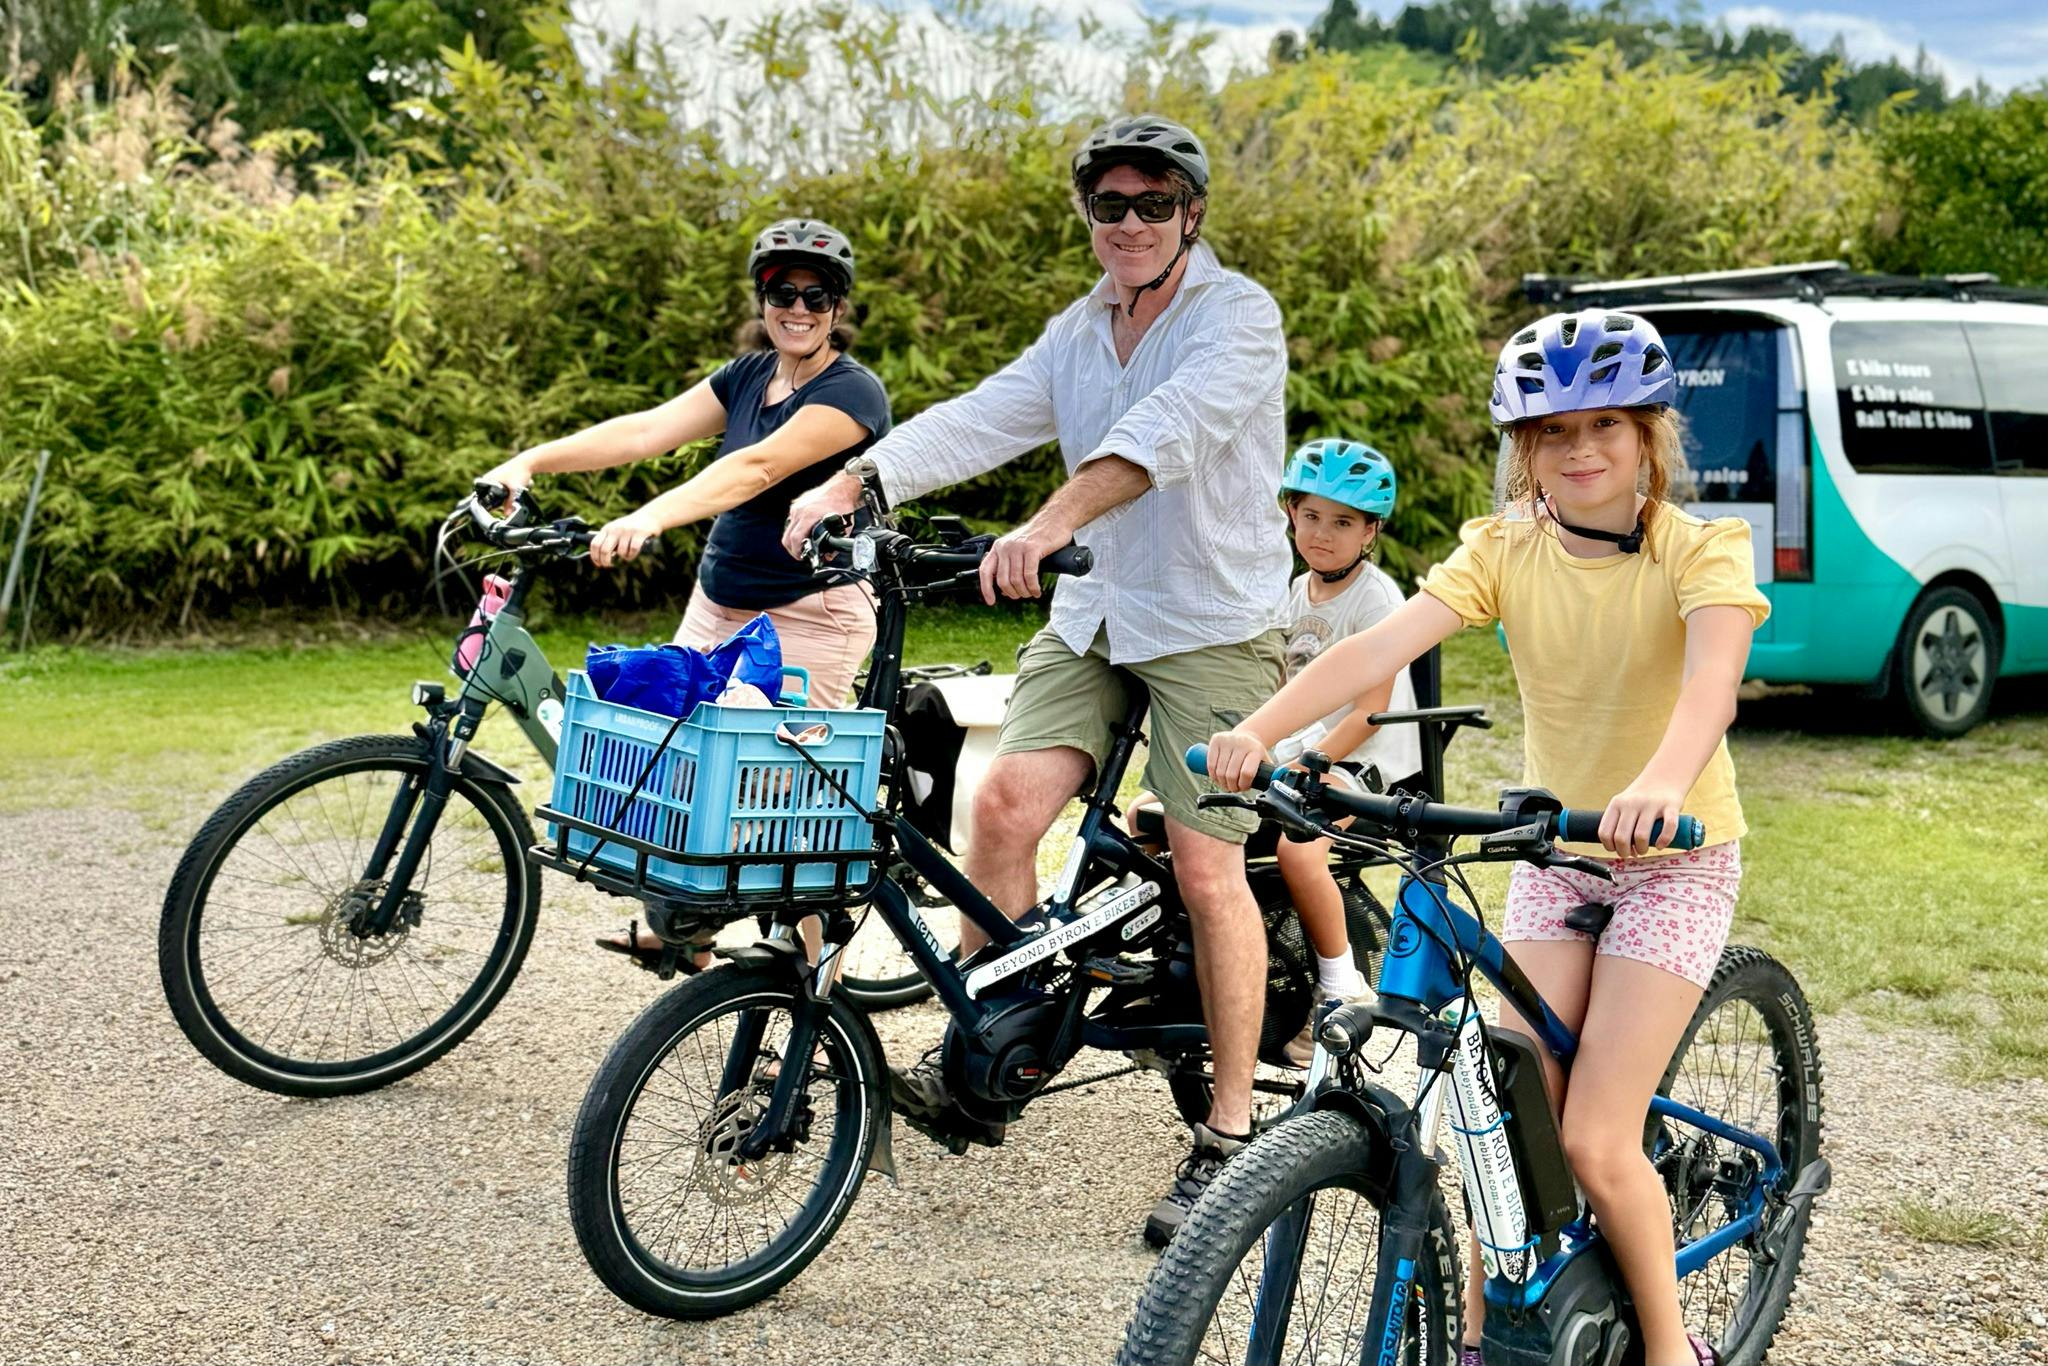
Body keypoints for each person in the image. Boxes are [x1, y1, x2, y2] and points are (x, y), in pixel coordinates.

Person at [1205, 308, 1767, 1366]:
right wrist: (1260, 731)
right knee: (1509, 1126)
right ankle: (1474, 1341)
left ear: (1648, 434)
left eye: (1604, 423)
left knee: (1594, 1138)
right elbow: (1374, 649)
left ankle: (1667, 1347)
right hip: (1555, 854)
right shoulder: (1505, 547)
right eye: (1553, 432)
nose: (1580, 448)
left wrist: (1658, 782)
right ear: (1523, 450)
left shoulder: (1701, 549)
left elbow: (1711, 687)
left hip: (1673, 858)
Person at [783, 114, 1292, 1247]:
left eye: (1151, 204)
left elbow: (1166, 431)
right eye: (1108, 206)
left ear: (1190, 214)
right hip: (1095, 609)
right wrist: (855, 483)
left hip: (1211, 620)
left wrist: (1048, 520)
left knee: (1206, 866)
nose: (1128, 223)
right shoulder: (1077, 331)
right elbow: (982, 416)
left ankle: (1227, 1131)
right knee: (1004, 807)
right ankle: (992, 1044)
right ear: (1087, 216)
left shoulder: (1238, 317)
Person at [480, 217, 891, 963]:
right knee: (678, 764)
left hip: (812, 611)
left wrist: (649, 517)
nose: (798, 309)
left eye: (817, 296)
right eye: (783, 292)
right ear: (761, 298)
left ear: (838, 307)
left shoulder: (851, 392)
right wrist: (529, 462)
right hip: (720, 602)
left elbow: (757, 469)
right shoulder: (748, 376)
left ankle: (811, 981)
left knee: (785, 800)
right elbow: (646, 432)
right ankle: (692, 935)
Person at [1267, 438, 1423, 1066]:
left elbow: (1367, 713)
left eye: (1341, 522)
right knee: (1157, 817)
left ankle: (1339, 985)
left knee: (1298, 849)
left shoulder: (1376, 598)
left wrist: (1309, 763)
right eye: (1310, 516)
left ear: (1370, 532)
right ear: (1290, 514)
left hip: (1364, 763)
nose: (1321, 534)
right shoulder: (1295, 591)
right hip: (1301, 753)